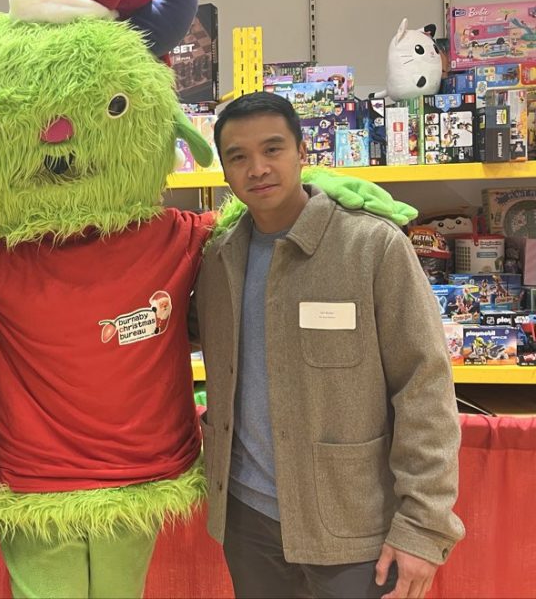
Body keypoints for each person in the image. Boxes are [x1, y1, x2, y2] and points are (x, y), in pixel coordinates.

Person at [192, 91, 464, 599]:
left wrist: (424, 525)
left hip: (354, 524)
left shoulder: (372, 246)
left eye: (273, 149)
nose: (258, 168)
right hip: (247, 521)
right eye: (238, 156)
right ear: (225, 173)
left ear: (303, 152)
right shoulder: (218, 260)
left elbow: (424, 386)